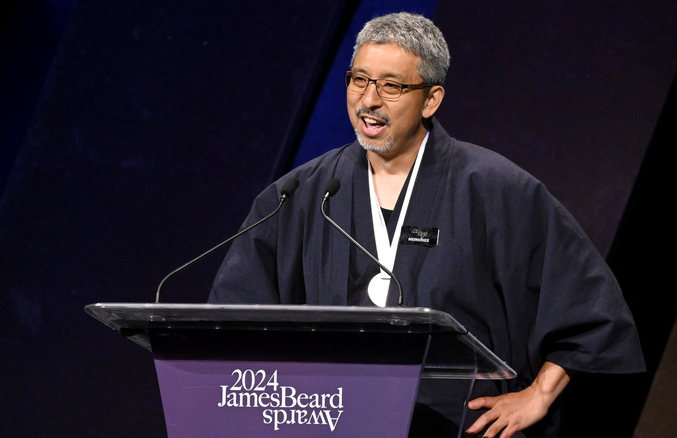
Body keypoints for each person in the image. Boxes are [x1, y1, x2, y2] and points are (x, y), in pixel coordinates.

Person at [209, 12, 645, 437]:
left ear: (431, 99)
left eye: (391, 86)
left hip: (457, 424)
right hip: (329, 421)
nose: (369, 100)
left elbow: (591, 312)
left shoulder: (494, 189)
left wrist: (538, 395)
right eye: (359, 80)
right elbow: (233, 322)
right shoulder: (301, 194)